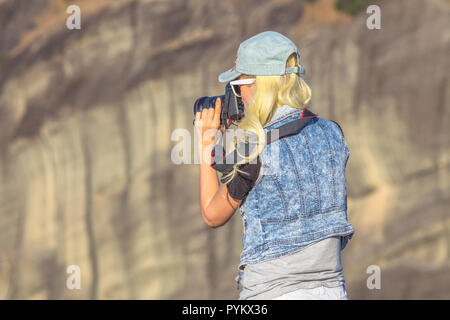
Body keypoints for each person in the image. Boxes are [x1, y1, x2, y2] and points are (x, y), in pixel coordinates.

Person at [194, 31, 354, 300]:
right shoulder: (332, 133)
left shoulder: (255, 151)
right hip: (332, 291)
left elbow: (213, 215)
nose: (237, 95)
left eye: (239, 85)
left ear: (259, 85)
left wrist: (207, 142)